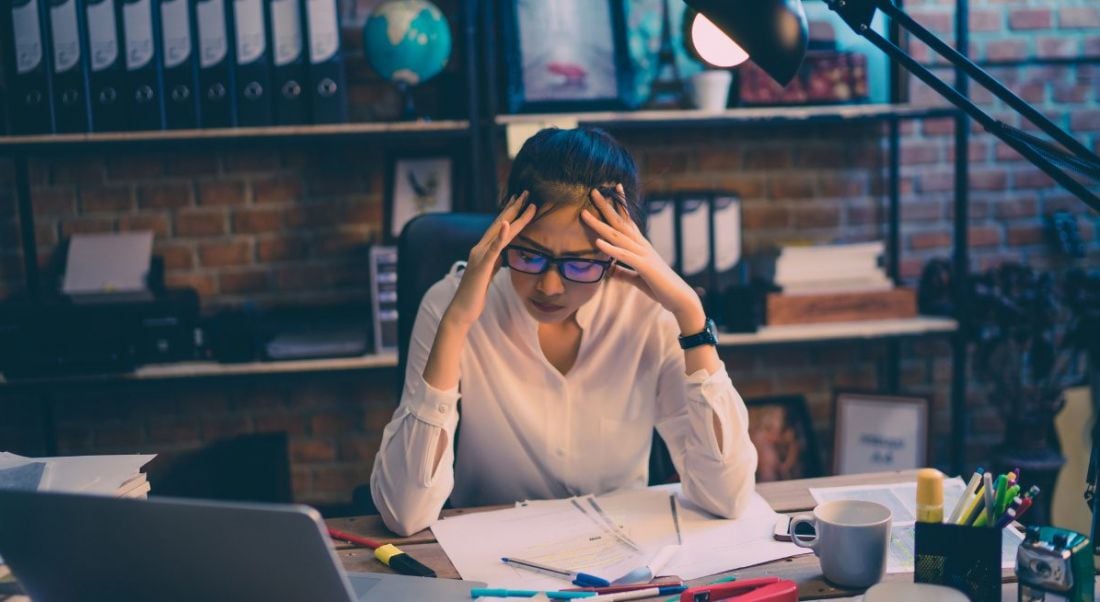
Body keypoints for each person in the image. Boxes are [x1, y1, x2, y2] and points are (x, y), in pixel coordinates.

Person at [370, 127, 757, 536]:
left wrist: (691, 316)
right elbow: (405, 513)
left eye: (581, 263)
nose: (550, 287)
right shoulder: (451, 303)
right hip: (492, 557)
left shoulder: (648, 312)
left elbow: (726, 496)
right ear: (507, 232)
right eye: (530, 255)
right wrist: (456, 322)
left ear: (615, 252)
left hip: (624, 558)